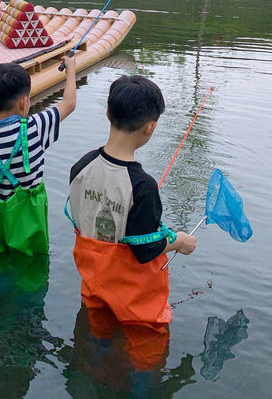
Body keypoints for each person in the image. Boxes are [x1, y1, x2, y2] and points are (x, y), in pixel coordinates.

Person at [67, 74, 196, 326]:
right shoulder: (143, 187)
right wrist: (179, 241)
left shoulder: (80, 166)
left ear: (107, 113)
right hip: (134, 306)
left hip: (94, 289)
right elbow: (144, 249)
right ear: (150, 127)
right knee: (144, 356)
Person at [0, 55, 76, 256]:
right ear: (24, 102)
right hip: (29, 223)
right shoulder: (35, 128)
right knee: (31, 270)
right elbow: (69, 103)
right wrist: (71, 69)